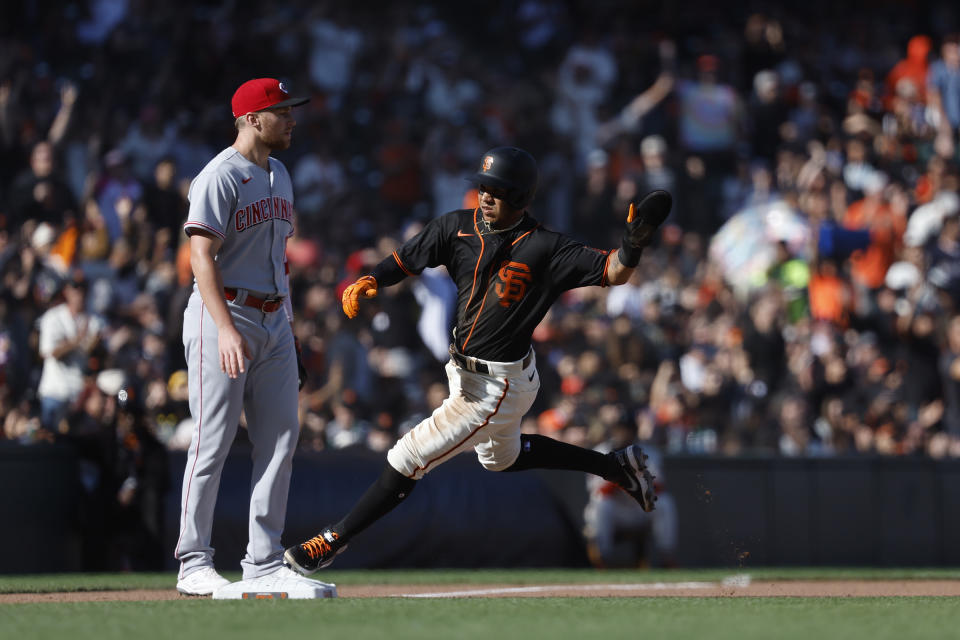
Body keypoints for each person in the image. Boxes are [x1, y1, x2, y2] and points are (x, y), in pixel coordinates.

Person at [284, 146, 670, 574]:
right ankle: (613, 466)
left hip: (496, 386)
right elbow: (404, 259)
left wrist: (633, 244)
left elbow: (614, 271)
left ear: (521, 198)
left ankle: (332, 540)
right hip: (466, 373)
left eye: (498, 190)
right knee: (500, 459)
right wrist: (373, 277)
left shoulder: (546, 246)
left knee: (407, 457)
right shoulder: (457, 227)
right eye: (483, 187)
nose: (486, 196)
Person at [173, 78, 334, 598]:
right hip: (225, 315)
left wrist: (285, 326)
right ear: (251, 119)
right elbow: (201, 257)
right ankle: (192, 561)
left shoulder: (280, 173)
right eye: (282, 111)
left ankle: (263, 560)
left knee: (282, 436)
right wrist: (224, 329)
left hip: (271, 319)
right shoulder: (219, 176)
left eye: (290, 110)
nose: (291, 119)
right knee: (212, 440)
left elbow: (278, 261)